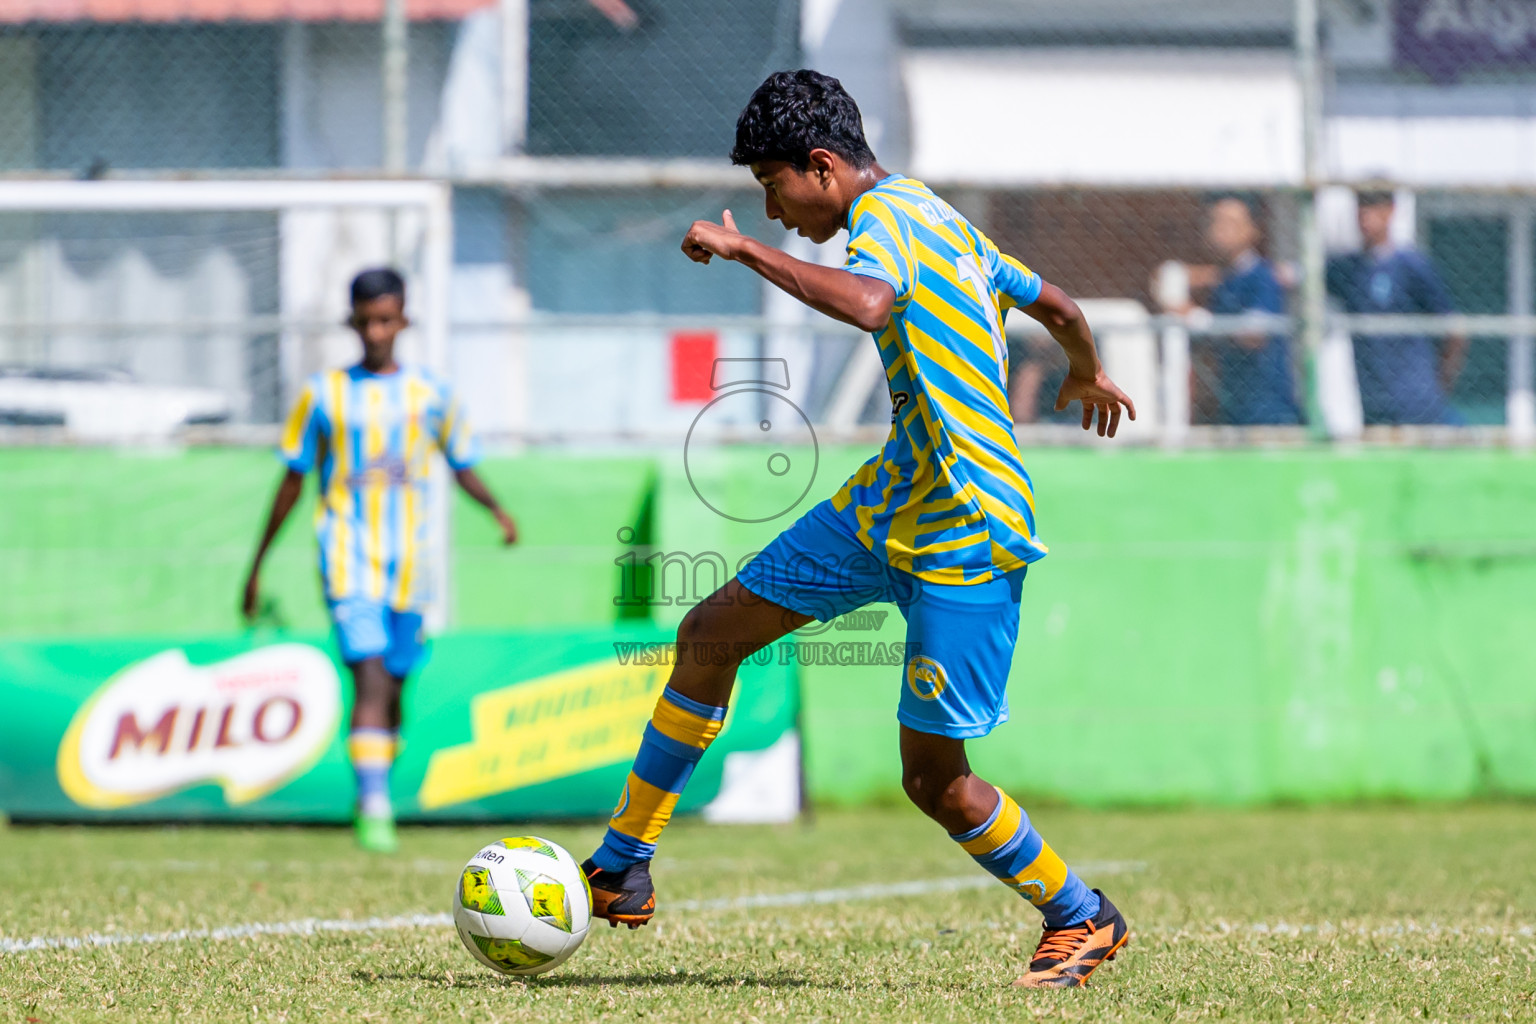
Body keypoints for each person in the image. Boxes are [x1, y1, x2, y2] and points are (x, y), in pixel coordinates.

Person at [581, 70, 1136, 989]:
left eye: (774, 188)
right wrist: (1083, 369)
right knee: (709, 633)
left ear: (823, 166)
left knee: (936, 781)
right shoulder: (941, 218)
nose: (775, 207)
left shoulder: (883, 221)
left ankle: (1083, 918)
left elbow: (871, 304)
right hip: (890, 504)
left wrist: (744, 249)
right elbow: (1062, 307)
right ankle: (621, 865)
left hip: (969, 524)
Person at [241, 268, 518, 852]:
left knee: (394, 686)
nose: (375, 331)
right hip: (347, 557)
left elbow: (461, 463)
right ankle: (374, 809)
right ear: (352, 323)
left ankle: (377, 787)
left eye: (385, 319)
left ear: (404, 320)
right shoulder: (324, 395)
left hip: (412, 564)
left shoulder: (433, 395)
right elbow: (293, 479)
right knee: (368, 676)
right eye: (365, 321)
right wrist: (258, 563)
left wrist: (496, 509)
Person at [1326, 189, 1467, 425]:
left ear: (1391, 211)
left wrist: (1442, 383)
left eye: (1373, 206)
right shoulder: (1348, 269)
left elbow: (1456, 331)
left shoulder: (1412, 266)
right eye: (1361, 206)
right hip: (1372, 402)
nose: (1364, 215)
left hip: (1416, 400)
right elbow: (1298, 276)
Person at [1160, 196, 1300, 425]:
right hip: (1233, 406)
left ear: (1253, 230)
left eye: (1231, 223)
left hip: (1266, 409)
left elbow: (1255, 335)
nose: (1221, 231)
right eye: (1216, 223)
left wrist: (1196, 317)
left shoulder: (1261, 276)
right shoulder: (1226, 280)